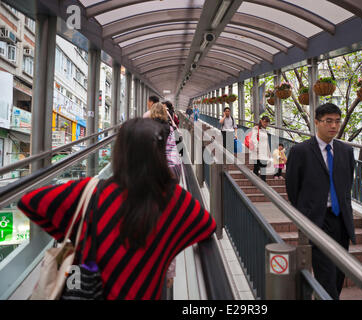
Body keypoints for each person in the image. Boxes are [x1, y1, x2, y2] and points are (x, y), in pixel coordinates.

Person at [18, 118, 216, 300]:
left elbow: (29, 202)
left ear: (120, 152)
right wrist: (165, 247)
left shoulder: (92, 192)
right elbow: (207, 226)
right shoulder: (177, 201)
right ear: (160, 152)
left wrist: (76, 237)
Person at [285, 103, 356, 300]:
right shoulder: (301, 151)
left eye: (337, 121)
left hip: (340, 219)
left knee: (340, 271)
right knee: (326, 272)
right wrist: (305, 213)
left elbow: (346, 185)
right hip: (317, 220)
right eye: (328, 121)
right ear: (316, 122)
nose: (333, 126)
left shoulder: (346, 151)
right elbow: (292, 186)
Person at [147, 102, 182, 183]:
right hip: (173, 167)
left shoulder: (147, 129)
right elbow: (181, 149)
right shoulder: (172, 129)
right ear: (165, 113)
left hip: (154, 167)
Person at [250, 115, 271, 182]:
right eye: (265, 122)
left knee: (263, 168)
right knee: (256, 168)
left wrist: (268, 152)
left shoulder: (265, 131)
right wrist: (257, 148)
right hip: (257, 152)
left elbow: (266, 142)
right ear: (261, 121)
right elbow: (253, 139)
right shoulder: (256, 128)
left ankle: (263, 182)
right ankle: (255, 182)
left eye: (267, 122)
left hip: (264, 152)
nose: (266, 124)